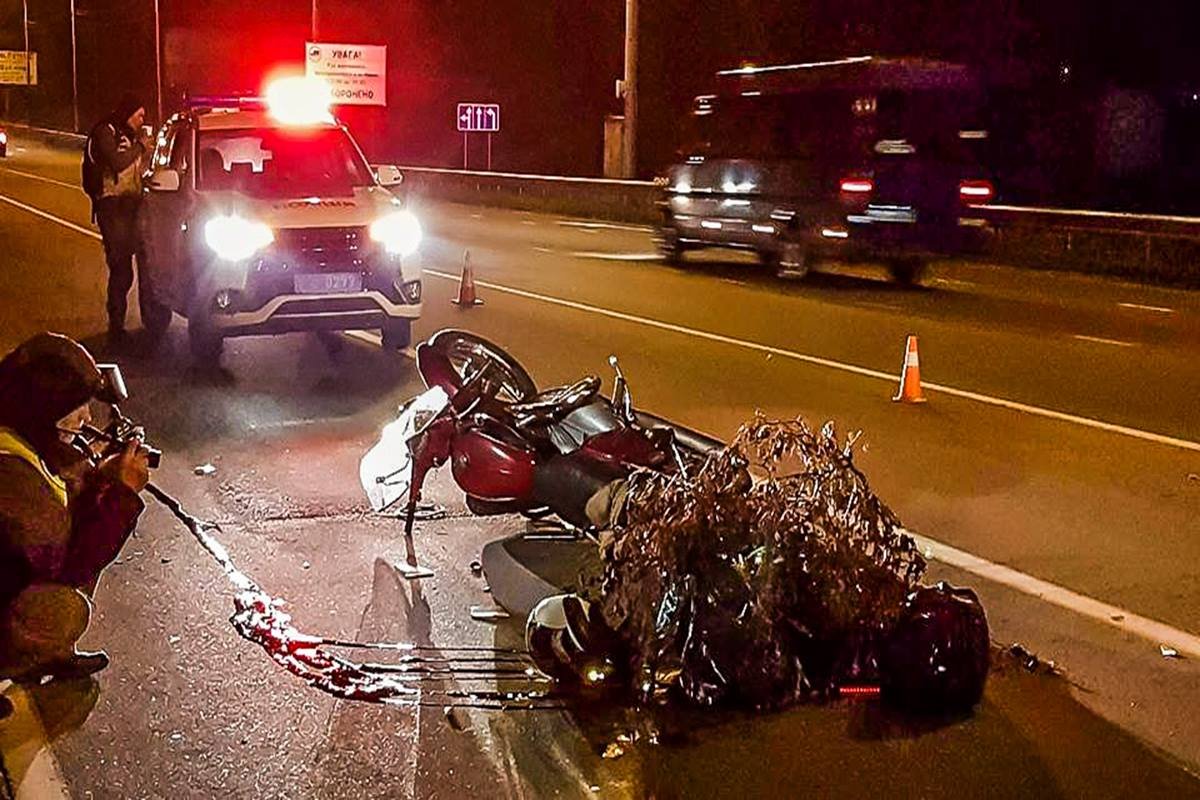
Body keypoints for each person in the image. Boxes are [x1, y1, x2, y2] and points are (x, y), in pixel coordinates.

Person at [0, 333, 150, 690]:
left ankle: (50, 654)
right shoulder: (12, 475)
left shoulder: (18, 432)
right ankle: (20, 657)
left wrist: (100, 481)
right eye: (74, 407)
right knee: (65, 610)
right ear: (43, 407)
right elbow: (71, 563)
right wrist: (120, 493)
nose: (85, 418)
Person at [83, 94, 171, 345]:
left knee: (148, 261)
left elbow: (136, 172)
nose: (142, 121)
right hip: (111, 207)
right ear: (128, 113)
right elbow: (117, 162)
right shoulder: (105, 131)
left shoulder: (131, 136)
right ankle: (116, 329)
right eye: (139, 116)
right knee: (121, 270)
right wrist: (140, 146)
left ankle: (153, 321)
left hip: (134, 205)